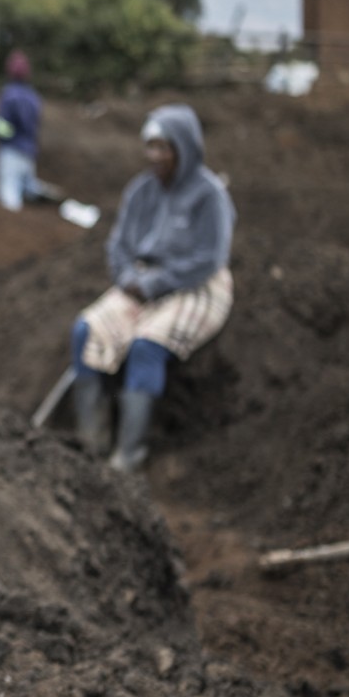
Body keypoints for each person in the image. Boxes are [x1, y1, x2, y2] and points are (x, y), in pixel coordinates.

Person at [69, 104, 235, 473]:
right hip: (139, 283)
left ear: (185, 148)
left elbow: (208, 257)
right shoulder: (141, 191)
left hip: (194, 286)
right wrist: (128, 277)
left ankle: (128, 456)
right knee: (86, 331)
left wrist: (158, 283)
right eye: (151, 147)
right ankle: (90, 445)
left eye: (164, 147)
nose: (156, 156)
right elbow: (119, 244)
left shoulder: (209, 196)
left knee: (146, 346)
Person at [0, 51, 53, 211]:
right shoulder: (33, 97)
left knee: (9, 197)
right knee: (27, 186)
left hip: (12, 151)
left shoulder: (9, 96)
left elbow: (5, 129)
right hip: (29, 151)